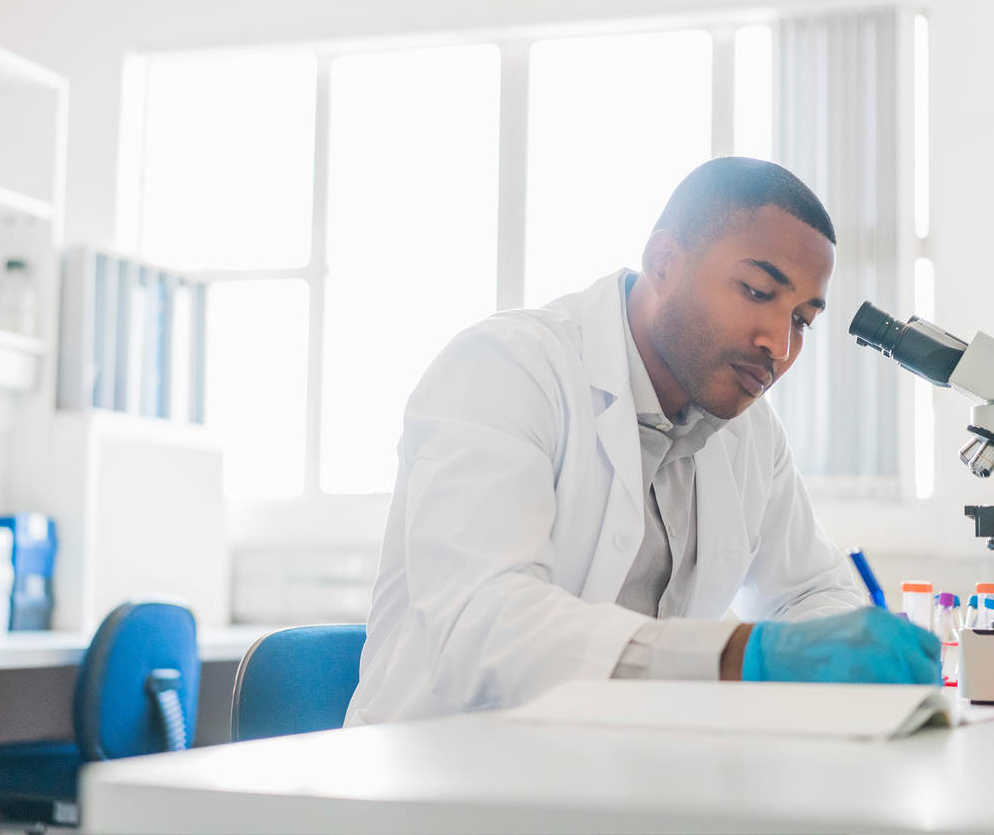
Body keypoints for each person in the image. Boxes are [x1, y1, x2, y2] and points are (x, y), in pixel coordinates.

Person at [345, 157, 940, 726]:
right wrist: (740, 657)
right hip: (438, 783)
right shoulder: (505, 369)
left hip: (619, 780)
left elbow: (809, 589)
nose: (779, 346)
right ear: (663, 261)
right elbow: (484, 627)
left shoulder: (747, 429)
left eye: (803, 320)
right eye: (758, 291)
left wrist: (840, 648)